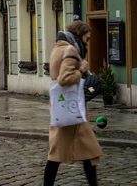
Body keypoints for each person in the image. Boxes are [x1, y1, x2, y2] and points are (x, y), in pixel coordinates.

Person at [43, 20, 102, 186]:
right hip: (70, 109)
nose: (87, 43)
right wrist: (82, 70)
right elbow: (64, 79)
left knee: (86, 152)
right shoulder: (70, 49)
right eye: (87, 38)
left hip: (63, 107)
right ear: (79, 35)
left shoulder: (58, 48)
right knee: (66, 154)